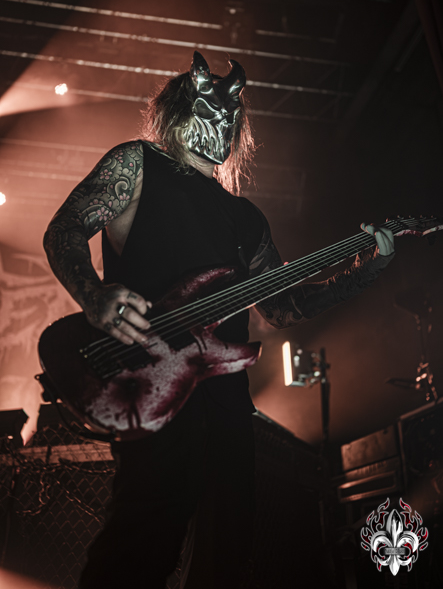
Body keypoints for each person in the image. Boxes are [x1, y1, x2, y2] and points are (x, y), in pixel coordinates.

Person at [43, 51, 394, 589]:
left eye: (233, 115)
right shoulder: (136, 164)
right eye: (210, 109)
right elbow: (64, 229)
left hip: (228, 403)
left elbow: (281, 306)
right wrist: (93, 295)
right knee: (142, 543)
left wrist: (365, 272)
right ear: (179, 109)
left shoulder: (246, 218)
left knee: (226, 555)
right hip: (151, 387)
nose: (223, 122)